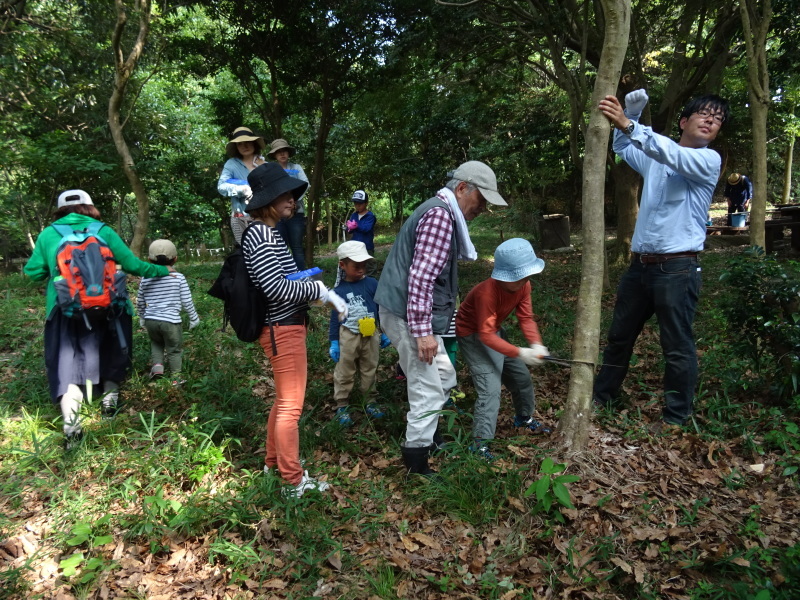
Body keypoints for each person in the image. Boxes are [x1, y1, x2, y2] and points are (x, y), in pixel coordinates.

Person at [594, 89, 729, 430]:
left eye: (717, 119)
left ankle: (675, 417)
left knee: (677, 345)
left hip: (677, 269)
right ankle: (602, 398)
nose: (711, 120)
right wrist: (632, 118)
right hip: (640, 267)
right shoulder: (658, 156)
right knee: (620, 337)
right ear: (684, 121)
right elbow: (624, 149)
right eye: (704, 114)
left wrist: (630, 123)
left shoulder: (707, 161)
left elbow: (671, 154)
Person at [374, 160, 508, 475]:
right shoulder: (439, 216)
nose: (482, 209)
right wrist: (423, 333)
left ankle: (431, 438)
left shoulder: (441, 211)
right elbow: (420, 279)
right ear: (462, 188)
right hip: (408, 316)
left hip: (407, 312)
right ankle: (416, 462)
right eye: (481, 200)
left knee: (445, 378)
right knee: (428, 389)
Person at [24, 190, 174, 448]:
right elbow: (133, 265)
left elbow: (33, 273)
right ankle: (110, 401)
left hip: (64, 309)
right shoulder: (103, 230)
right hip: (110, 307)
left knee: (66, 367)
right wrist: (164, 270)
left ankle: (72, 427)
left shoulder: (49, 234)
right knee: (113, 350)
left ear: (60, 211)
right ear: (90, 207)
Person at [242, 162, 348, 498]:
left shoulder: (270, 232)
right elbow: (274, 288)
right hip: (280, 328)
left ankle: (274, 464)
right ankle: (293, 481)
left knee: (284, 402)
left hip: (287, 325)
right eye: (285, 194)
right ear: (268, 199)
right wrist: (321, 292)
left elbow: (286, 280)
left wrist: (312, 285)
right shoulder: (259, 233)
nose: (293, 200)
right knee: (291, 407)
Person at [456, 239, 550, 460]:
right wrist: (519, 352)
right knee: (490, 389)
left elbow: (525, 317)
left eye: (527, 275)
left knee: (521, 378)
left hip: (494, 332)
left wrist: (535, 344)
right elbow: (485, 335)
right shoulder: (486, 293)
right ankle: (480, 445)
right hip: (472, 335)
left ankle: (524, 418)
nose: (526, 280)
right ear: (505, 275)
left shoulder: (524, 285)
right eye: (520, 276)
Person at [327, 241, 391, 426]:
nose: (361, 269)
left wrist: (384, 332)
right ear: (342, 265)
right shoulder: (338, 291)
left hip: (371, 334)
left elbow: (380, 309)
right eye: (356, 266)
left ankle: (369, 400)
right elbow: (335, 318)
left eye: (364, 265)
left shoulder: (372, 284)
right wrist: (334, 342)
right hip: (348, 334)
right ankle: (342, 403)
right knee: (345, 369)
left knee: (369, 367)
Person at [137, 239, 200, 386]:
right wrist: (193, 318)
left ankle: (158, 368)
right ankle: (176, 378)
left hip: (151, 320)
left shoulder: (146, 278)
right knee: (174, 349)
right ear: (175, 259)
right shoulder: (179, 278)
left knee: (156, 343)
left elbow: (140, 300)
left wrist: (142, 317)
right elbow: (187, 300)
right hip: (171, 322)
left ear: (149, 260)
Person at [217, 126, 268, 246]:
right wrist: (243, 190)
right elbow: (221, 186)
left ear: (254, 143)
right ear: (236, 147)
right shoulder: (231, 164)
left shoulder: (264, 164)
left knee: (265, 249)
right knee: (245, 253)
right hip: (240, 217)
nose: (245, 146)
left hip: (264, 215)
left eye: (248, 142)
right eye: (240, 144)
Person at [268, 138, 309, 270]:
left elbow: (306, 184)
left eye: (284, 150)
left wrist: (294, 200)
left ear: (288, 152)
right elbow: (270, 189)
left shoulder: (296, 168)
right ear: (274, 154)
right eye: (278, 152)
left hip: (296, 212)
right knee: (280, 247)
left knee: (297, 247)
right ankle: (285, 278)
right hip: (278, 214)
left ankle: (302, 278)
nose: (282, 154)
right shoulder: (272, 170)